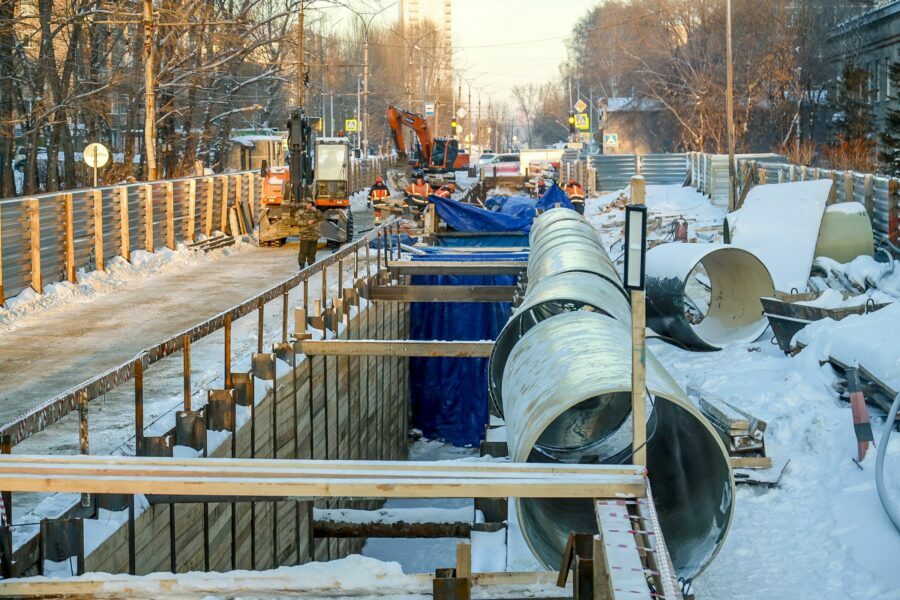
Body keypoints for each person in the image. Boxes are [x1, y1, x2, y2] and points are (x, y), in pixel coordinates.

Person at [296, 198, 323, 268]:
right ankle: (302, 265)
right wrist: (307, 222)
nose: (310, 205)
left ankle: (311, 265)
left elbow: (321, 218)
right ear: (305, 204)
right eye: (308, 203)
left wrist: (316, 211)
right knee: (303, 251)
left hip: (314, 234)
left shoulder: (315, 211)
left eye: (311, 203)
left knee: (312, 252)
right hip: (305, 235)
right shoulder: (300, 212)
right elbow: (297, 221)